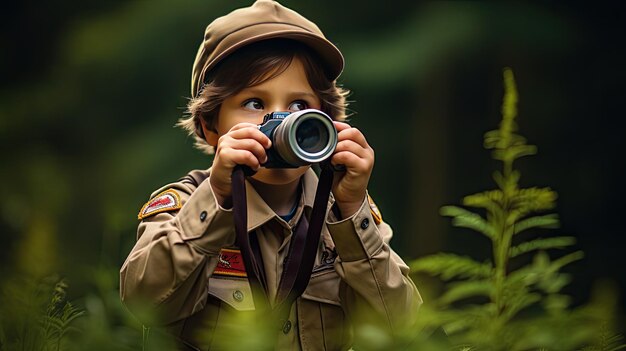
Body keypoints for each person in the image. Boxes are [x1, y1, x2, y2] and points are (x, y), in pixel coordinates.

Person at [120, 1, 422, 350]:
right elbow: (143, 302)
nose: (280, 121)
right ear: (210, 126)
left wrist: (353, 212)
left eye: (299, 106)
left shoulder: (343, 213)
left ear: (326, 124)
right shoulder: (185, 205)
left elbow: (405, 328)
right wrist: (218, 196)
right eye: (254, 103)